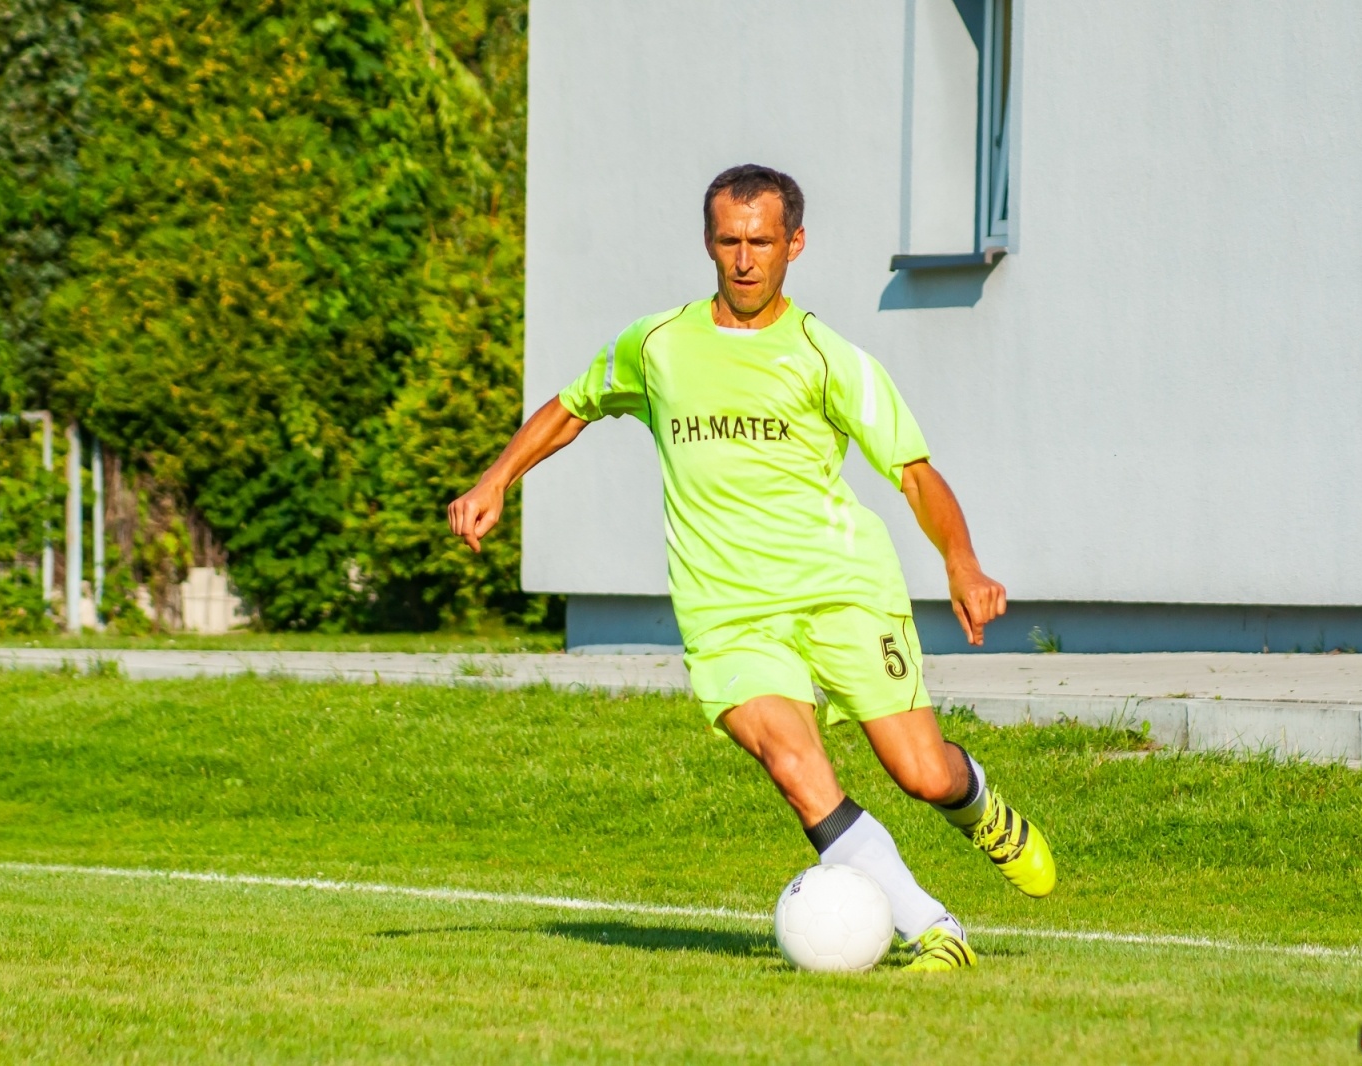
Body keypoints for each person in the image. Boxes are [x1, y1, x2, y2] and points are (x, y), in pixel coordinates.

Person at [449, 163, 1055, 971]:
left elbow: (913, 471)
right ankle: (934, 931)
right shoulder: (656, 346)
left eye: (761, 242)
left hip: (841, 591)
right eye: (728, 241)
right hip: (728, 613)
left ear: (794, 245)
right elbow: (573, 403)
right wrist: (496, 479)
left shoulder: (823, 355)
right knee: (793, 764)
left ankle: (974, 799)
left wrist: (962, 562)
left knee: (920, 772)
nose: (743, 259)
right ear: (708, 242)